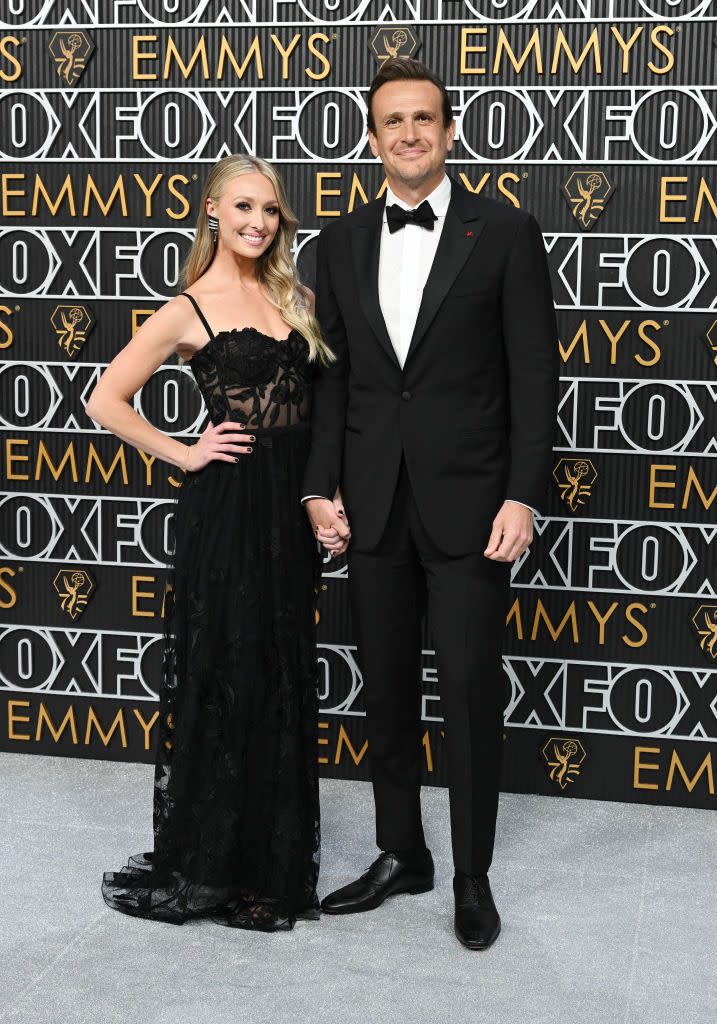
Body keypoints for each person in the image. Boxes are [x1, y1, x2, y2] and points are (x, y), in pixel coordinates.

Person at [302, 57, 559, 949]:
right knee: (385, 696)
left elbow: (534, 376)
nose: (408, 134)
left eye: (423, 119)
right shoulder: (335, 243)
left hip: (471, 509)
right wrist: (316, 486)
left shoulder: (506, 232)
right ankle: (399, 851)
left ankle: (471, 874)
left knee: (467, 691)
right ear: (370, 139)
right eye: (391, 122)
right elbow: (332, 384)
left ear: (449, 133)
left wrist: (525, 497)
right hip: (371, 506)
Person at [90, 154, 345, 932]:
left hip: (289, 515)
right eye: (242, 207)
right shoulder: (188, 307)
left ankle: (269, 859)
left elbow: (326, 413)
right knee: (224, 669)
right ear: (211, 211)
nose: (257, 223)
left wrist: (325, 497)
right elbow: (105, 399)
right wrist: (186, 452)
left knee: (280, 670)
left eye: (270, 211)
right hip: (226, 511)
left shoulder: (296, 297)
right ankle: (209, 857)